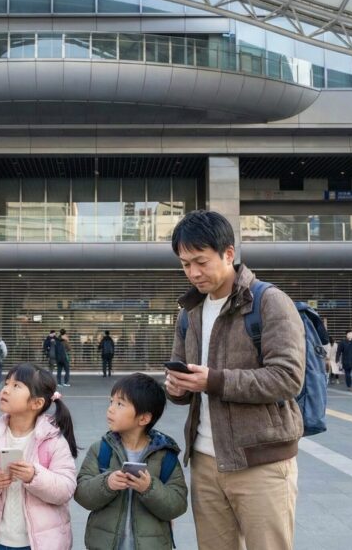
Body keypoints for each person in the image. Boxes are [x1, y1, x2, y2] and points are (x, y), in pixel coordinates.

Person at [163, 210, 306, 549]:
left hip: (262, 462)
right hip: (204, 461)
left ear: (228, 253)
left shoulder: (268, 301)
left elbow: (288, 378)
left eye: (201, 261)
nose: (193, 273)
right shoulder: (190, 311)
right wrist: (177, 388)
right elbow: (186, 377)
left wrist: (214, 381)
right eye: (185, 264)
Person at [0, 363, 78, 550]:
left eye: (16, 386)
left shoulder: (53, 440)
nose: (6, 390)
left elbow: (66, 489)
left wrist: (34, 476)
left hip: (41, 543)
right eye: (7, 383)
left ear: (36, 403)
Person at [75, 373, 188, 550]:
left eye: (120, 404)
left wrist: (149, 488)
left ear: (143, 418)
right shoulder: (101, 450)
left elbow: (178, 504)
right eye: (111, 402)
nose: (110, 409)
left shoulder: (165, 456)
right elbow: (82, 494)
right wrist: (107, 483)